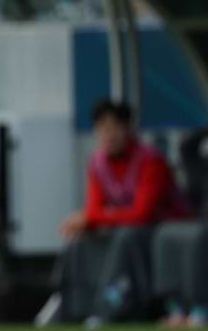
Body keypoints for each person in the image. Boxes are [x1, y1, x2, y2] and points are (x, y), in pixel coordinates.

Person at [37, 100, 195, 326]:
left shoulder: (151, 161)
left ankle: (111, 307)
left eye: (114, 127)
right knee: (80, 241)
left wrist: (90, 218)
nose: (108, 135)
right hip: (132, 230)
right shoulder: (98, 163)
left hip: (165, 231)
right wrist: (85, 221)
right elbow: (94, 208)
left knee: (126, 237)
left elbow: (142, 213)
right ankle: (69, 305)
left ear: (127, 129)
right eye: (101, 128)